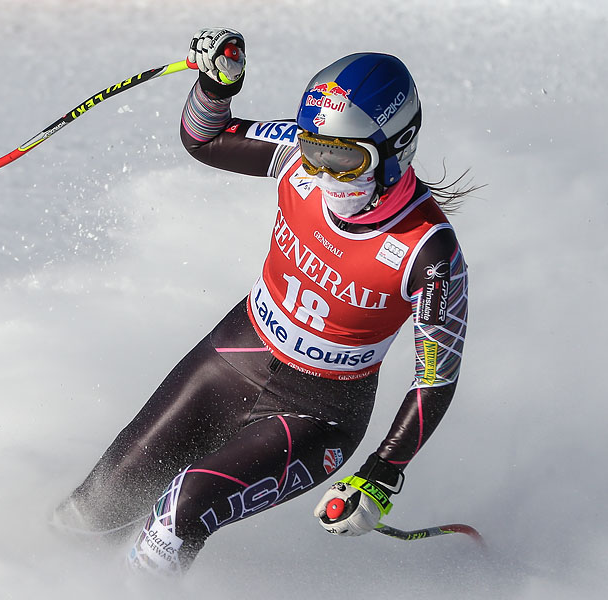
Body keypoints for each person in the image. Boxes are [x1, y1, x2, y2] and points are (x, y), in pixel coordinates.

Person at [52, 27, 470, 575]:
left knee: (181, 510)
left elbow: (434, 378)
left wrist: (381, 474)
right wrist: (216, 85)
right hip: (231, 359)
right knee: (94, 510)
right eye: (313, 151)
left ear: (396, 149)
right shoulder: (298, 160)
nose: (320, 175)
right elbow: (207, 138)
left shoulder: (427, 249)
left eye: (342, 160)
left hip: (318, 413)